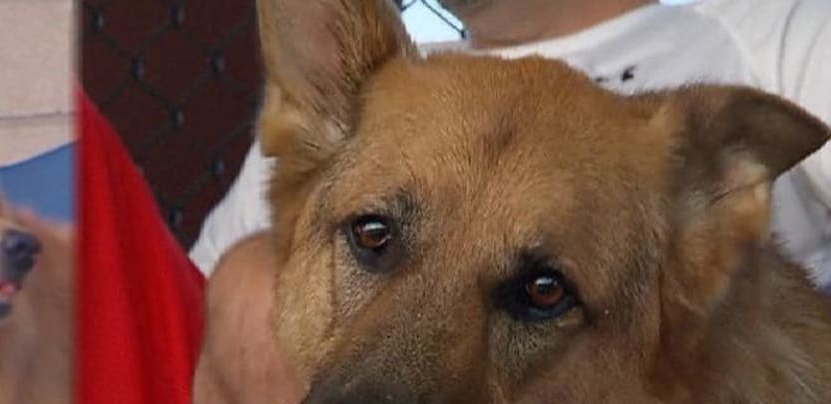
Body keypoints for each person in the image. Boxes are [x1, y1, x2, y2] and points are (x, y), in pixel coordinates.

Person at [189, 0, 831, 287]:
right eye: (374, 235)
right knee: (245, 291)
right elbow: (190, 344)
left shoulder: (779, 37)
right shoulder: (370, 89)